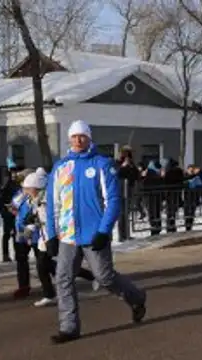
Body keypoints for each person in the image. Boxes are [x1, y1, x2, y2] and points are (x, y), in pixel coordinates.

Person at [45, 120, 147, 344]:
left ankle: (136, 298)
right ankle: (69, 327)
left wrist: (103, 230)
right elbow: (52, 204)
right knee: (63, 278)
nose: (78, 140)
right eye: (74, 136)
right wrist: (51, 234)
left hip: (94, 234)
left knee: (104, 277)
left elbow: (113, 201)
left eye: (82, 136)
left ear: (89, 138)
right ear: (69, 139)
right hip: (68, 235)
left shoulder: (102, 164)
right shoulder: (61, 167)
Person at [18, 169, 98, 307]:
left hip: (56, 236)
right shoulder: (34, 200)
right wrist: (31, 226)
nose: (26, 191)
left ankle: (91, 277)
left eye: (28, 188)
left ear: (36, 188)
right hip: (45, 237)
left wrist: (52, 234)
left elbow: (56, 217)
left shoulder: (48, 200)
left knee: (57, 265)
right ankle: (50, 294)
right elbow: (36, 216)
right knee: (44, 265)